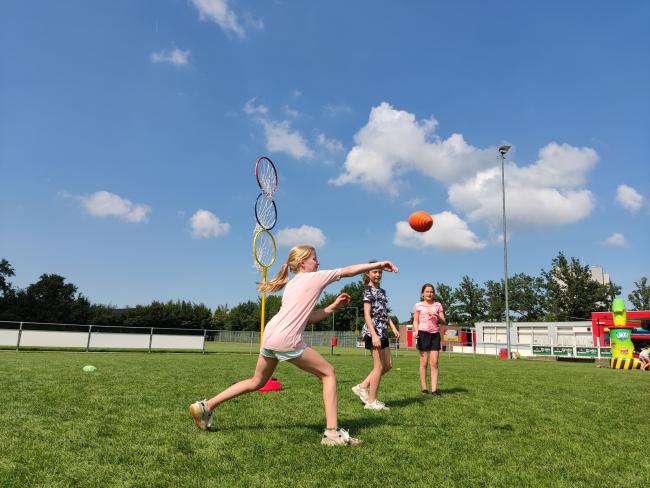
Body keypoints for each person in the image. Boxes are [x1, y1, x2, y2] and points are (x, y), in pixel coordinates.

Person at [189, 245, 399, 446]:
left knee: (257, 382)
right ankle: (332, 434)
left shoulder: (292, 285)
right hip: (285, 338)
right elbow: (348, 271)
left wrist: (333, 306)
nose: (318, 262)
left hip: (270, 335)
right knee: (328, 373)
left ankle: (206, 406)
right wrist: (379, 264)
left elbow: (310, 317)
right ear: (302, 263)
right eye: (315, 258)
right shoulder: (313, 277)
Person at [351, 264, 400, 411]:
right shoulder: (367, 291)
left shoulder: (382, 291)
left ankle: (362, 387)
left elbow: (384, 312)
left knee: (388, 365)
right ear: (367, 273)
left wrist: (392, 326)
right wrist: (373, 335)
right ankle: (371, 401)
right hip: (373, 333)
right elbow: (367, 314)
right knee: (378, 366)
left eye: (380, 272)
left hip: (383, 331)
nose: (378, 274)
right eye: (375, 272)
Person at [413, 283, 446, 396]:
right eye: (427, 291)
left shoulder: (438, 305)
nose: (429, 293)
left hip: (435, 335)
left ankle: (434, 390)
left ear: (434, 293)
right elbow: (415, 321)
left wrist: (437, 316)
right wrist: (416, 331)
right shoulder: (418, 305)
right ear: (422, 293)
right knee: (423, 363)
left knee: (434, 363)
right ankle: (424, 388)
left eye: (431, 291)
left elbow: (443, 321)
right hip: (422, 334)